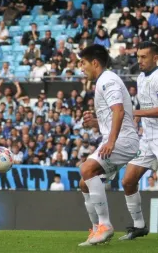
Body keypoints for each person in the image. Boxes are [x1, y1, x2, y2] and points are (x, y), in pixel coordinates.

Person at [77, 45, 139, 246]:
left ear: (94, 63)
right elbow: (114, 114)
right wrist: (96, 122)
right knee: (84, 182)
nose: (81, 68)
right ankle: (96, 230)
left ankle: (105, 225)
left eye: (83, 63)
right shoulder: (103, 81)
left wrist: (111, 141)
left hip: (123, 140)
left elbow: (119, 111)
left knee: (86, 168)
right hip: (116, 138)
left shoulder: (107, 80)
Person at [119, 42, 158, 240]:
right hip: (147, 138)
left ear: (155, 58)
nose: (139, 61)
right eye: (138, 56)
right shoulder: (141, 77)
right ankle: (139, 226)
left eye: (144, 57)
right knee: (128, 181)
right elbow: (145, 105)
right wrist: (136, 119)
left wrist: (136, 112)